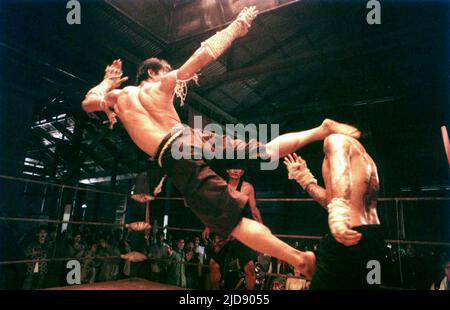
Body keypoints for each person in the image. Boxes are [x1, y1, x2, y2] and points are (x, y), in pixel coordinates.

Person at [82, 6, 359, 277]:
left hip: (173, 151)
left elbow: (88, 102)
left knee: (233, 223)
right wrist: (236, 28)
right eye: (165, 68)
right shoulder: (160, 85)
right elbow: (199, 58)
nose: (170, 72)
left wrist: (108, 81)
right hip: (191, 136)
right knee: (265, 149)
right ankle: (320, 130)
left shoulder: (117, 98)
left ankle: (298, 259)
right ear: (153, 73)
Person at [284, 134, 385, 289]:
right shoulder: (364, 159)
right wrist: (305, 179)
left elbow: (340, 174)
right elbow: (338, 200)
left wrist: (338, 215)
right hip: (373, 240)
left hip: (347, 240)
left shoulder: (336, 140)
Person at [203, 168, 260, 289]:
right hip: (225, 230)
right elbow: (215, 208)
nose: (235, 171)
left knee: (249, 267)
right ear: (227, 170)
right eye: (233, 168)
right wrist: (208, 225)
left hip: (242, 231)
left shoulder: (247, 187)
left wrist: (263, 230)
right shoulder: (221, 185)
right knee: (214, 265)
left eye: (238, 169)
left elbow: (254, 210)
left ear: (243, 171)